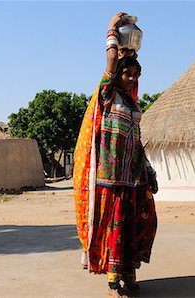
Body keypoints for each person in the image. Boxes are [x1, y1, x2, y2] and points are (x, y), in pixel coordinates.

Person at [73, 12, 158, 298]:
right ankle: (113, 283)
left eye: (135, 74)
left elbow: (137, 142)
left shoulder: (134, 106)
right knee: (115, 228)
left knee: (137, 225)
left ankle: (129, 275)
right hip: (110, 178)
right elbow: (110, 63)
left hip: (133, 178)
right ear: (118, 74)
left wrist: (148, 171)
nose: (132, 77)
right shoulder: (108, 94)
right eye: (127, 73)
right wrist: (111, 30)